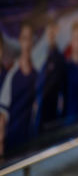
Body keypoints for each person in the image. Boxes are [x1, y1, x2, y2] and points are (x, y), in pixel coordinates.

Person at [0, 23, 37, 155]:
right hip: (12, 143)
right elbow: (2, 113)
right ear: (20, 41)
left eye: (29, 39)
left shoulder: (36, 76)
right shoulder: (12, 75)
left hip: (30, 143)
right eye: (23, 38)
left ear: (32, 42)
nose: (26, 44)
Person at [35, 20, 67, 132]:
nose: (50, 36)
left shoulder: (59, 58)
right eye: (48, 33)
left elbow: (58, 84)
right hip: (41, 108)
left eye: (52, 33)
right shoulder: (43, 56)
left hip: (52, 109)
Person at [64, 21, 78, 125]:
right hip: (67, 115)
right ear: (71, 40)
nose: (77, 41)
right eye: (74, 38)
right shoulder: (66, 66)